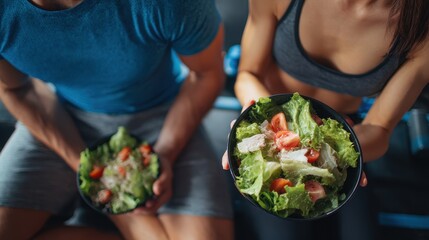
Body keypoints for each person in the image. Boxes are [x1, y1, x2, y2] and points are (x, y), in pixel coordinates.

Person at [0, 0, 234, 239]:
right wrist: (91, 170)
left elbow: (206, 74)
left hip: (166, 113)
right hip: (59, 114)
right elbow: (16, 90)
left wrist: (165, 153)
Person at [221, 0, 428, 239]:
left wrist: (343, 154)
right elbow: (248, 74)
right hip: (267, 120)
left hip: (343, 140)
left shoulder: (422, 28)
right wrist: (260, 128)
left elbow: (379, 127)